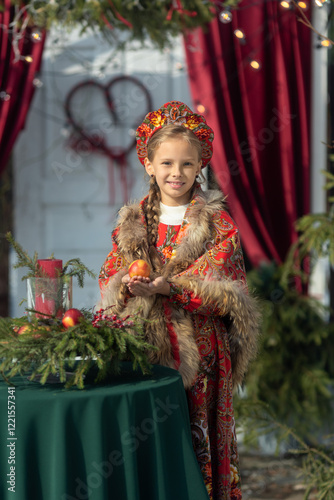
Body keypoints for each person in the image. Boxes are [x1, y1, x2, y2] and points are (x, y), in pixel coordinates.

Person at [98, 101, 260, 500]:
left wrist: (170, 288)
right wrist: (123, 287)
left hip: (201, 352)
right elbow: (110, 273)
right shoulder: (133, 222)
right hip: (145, 345)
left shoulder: (217, 223)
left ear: (200, 165)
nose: (177, 173)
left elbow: (225, 286)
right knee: (148, 438)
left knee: (195, 437)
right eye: (167, 163)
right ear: (149, 165)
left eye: (187, 164)